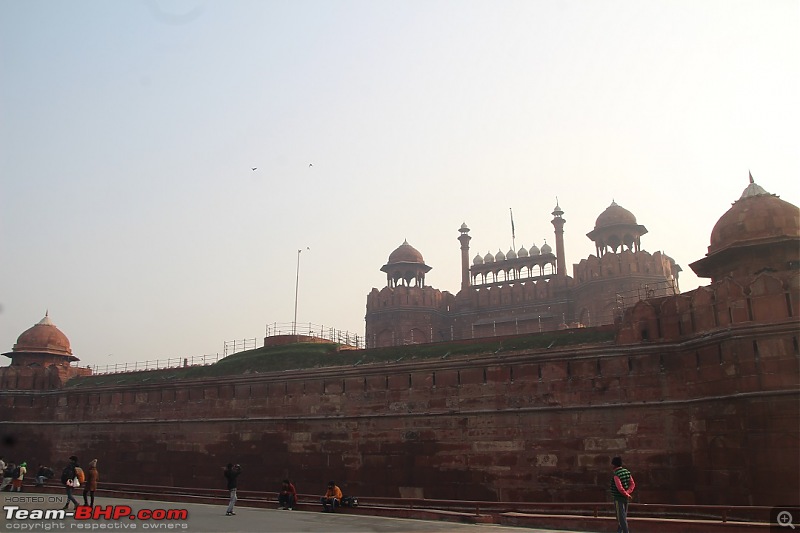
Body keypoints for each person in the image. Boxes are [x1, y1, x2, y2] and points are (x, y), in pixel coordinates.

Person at [610, 456, 636, 533]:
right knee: (623, 516)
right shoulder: (627, 472)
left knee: (621, 518)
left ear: (614, 465)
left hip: (619, 498)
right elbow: (632, 484)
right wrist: (628, 492)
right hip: (625, 498)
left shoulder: (616, 474)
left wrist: (626, 494)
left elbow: (619, 487)